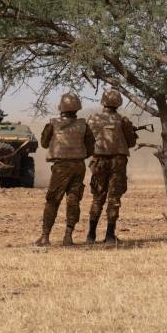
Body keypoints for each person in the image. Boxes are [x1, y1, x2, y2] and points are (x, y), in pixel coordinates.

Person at [34, 93, 95, 247]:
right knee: (73, 200)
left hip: (61, 167)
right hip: (79, 166)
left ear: (61, 108)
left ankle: (45, 237)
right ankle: (68, 236)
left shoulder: (53, 124)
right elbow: (90, 148)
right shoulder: (83, 125)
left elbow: (44, 143)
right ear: (78, 108)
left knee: (53, 200)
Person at [85, 89, 138, 247]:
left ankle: (91, 235)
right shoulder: (123, 120)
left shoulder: (92, 119)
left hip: (99, 161)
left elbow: (87, 140)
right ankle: (109, 235)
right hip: (118, 162)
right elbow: (131, 143)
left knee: (97, 198)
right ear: (119, 103)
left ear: (103, 102)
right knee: (114, 199)